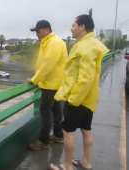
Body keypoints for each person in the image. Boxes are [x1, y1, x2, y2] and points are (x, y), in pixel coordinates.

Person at [49, 14, 109, 170]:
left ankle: (67, 166)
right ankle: (86, 162)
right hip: (88, 98)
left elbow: (85, 78)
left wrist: (73, 100)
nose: (71, 28)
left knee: (68, 132)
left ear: (82, 27)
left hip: (78, 98)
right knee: (86, 130)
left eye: (74, 25)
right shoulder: (92, 44)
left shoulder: (85, 47)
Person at [29, 20, 68, 150]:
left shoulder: (54, 43)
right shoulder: (49, 42)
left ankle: (43, 141)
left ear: (46, 29)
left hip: (51, 84)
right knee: (56, 111)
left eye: (38, 31)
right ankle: (58, 135)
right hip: (54, 83)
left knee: (45, 111)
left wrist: (34, 80)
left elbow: (47, 65)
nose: (37, 34)